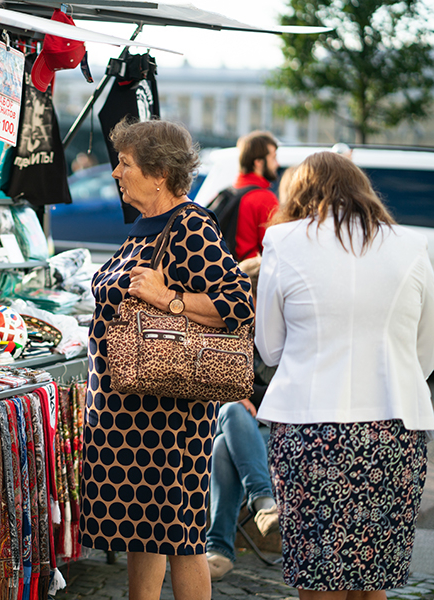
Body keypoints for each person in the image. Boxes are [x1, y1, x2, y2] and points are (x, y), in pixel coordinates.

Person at [81, 118, 255, 600]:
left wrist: (168, 298)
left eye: (125, 163)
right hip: (130, 412)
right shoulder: (145, 224)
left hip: (167, 417)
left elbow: (238, 303)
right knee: (146, 531)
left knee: (181, 538)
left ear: (159, 173)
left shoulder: (191, 223)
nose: (115, 172)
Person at [256, 151, 434, 599]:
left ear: (299, 193)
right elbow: (425, 351)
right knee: (374, 578)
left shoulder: (283, 241)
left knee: (318, 577)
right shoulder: (414, 245)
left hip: (311, 428)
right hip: (393, 428)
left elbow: (270, 346)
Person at [204, 167, 298, 580]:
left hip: (277, 430)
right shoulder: (231, 330)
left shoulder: (287, 332)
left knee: (226, 438)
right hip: (247, 427)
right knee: (229, 416)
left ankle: (220, 545)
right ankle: (264, 503)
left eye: (254, 297)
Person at [232, 131, 280, 261]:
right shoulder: (264, 199)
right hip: (254, 275)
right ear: (258, 162)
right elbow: (274, 248)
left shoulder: (230, 192)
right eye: (273, 158)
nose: (277, 164)